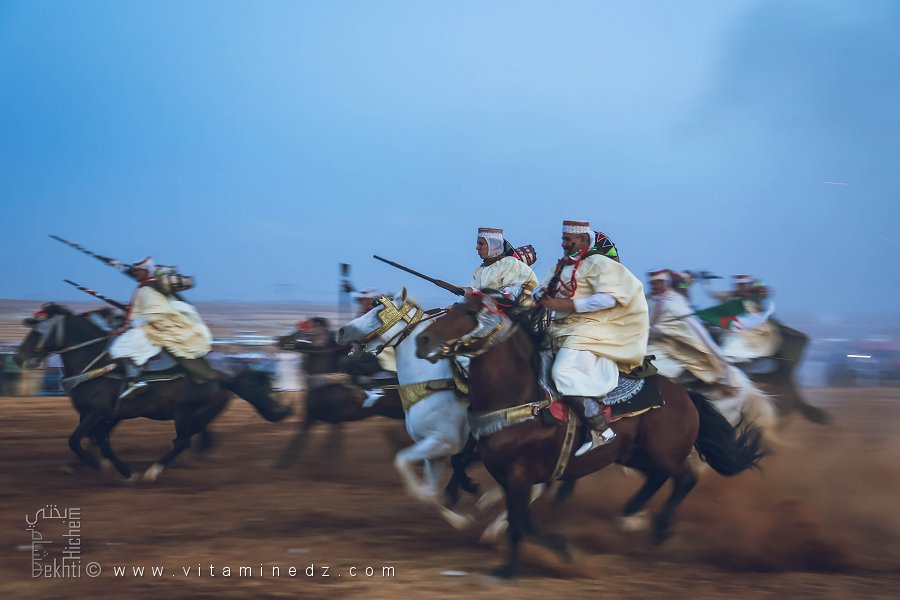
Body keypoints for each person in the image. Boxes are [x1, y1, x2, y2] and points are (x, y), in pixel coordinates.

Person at [536, 220, 649, 456]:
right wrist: (540, 294)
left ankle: (601, 431)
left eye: (569, 239)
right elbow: (543, 288)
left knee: (562, 373)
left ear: (585, 241)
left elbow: (609, 298)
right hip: (560, 328)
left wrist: (566, 304)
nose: (564, 243)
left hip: (591, 330)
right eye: (563, 239)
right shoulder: (563, 266)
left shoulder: (599, 263)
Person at [108, 257, 213, 399]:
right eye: (135, 272)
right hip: (147, 324)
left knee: (118, 348)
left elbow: (156, 313)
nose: (136, 274)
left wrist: (133, 324)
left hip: (151, 327)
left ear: (145, 271)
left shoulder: (147, 289)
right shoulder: (149, 286)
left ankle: (134, 380)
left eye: (138, 271)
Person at [646, 269, 734, 390]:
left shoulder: (675, 301)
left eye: (657, 283)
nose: (654, 286)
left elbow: (694, 329)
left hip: (672, 344)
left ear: (665, 283)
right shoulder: (650, 299)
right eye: (652, 283)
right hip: (652, 342)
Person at [465, 227, 539, 305]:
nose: (477, 247)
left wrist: (478, 294)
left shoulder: (509, 263)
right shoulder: (478, 270)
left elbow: (513, 294)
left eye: (481, 244)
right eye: (477, 243)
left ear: (494, 245)